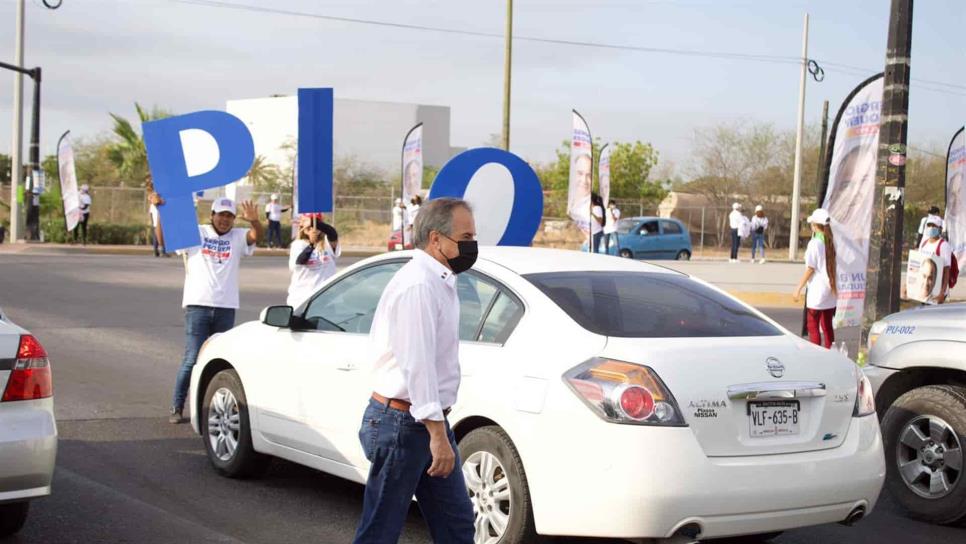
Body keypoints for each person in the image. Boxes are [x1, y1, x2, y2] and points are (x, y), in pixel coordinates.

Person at [353, 197, 477, 543]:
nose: (472, 245)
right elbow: (417, 366)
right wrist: (438, 435)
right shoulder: (419, 285)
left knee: (456, 525)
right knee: (381, 530)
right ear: (436, 239)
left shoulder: (439, 279)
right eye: (465, 236)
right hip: (403, 425)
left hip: (426, 421)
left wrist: (438, 430)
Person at [157, 196, 264, 424]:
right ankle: (177, 406)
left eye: (229, 216)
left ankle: (211, 407)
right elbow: (164, 239)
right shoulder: (197, 232)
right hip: (198, 305)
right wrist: (159, 211)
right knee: (192, 358)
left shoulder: (237, 237)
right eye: (220, 215)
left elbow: (255, 236)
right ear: (212, 215)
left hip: (226, 307)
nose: (224, 220)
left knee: (219, 360)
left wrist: (255, 222)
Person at [793, 208, 839, 349]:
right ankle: (831, 353)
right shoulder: (831, 241)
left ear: (814, 225)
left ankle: (816, 356)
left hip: (817, 291)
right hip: (830, 290)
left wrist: (798, 288)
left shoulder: (815, 244)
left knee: (813, 326)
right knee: (827, 326)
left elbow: (810, 268)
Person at [287, 214, 340, 308]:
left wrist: (312, 222)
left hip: (326, 300)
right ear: (302, 227)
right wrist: (311, 244)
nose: (313, 228)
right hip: (301, 300)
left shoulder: (327, 244)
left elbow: (333, 233)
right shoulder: (298, 244)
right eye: (309, 226)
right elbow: (300, 261)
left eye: (316, 224)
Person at [918, 215, 952, 304]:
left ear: (940, 229)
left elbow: (946, 270)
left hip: (938, 290)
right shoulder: (924, 244)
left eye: (934, 226)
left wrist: (942, 292)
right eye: (929, 225)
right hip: (925, 287)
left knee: (933, 315)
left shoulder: (944, 246)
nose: (931, 228)